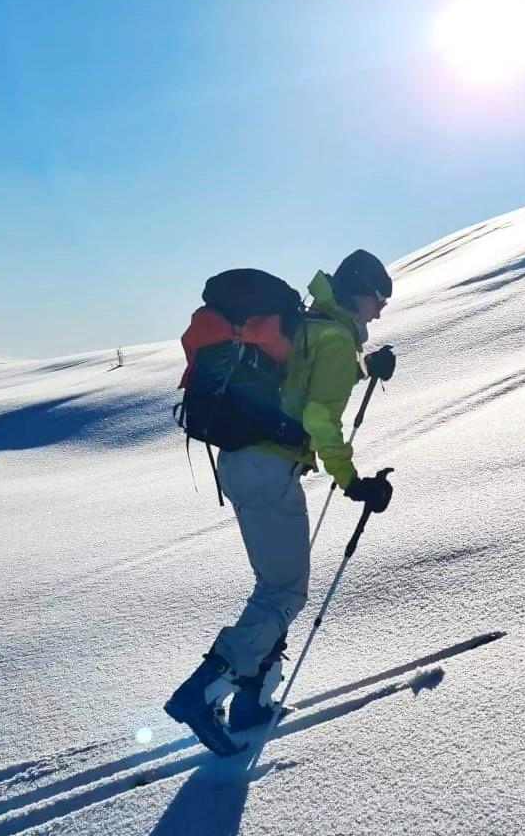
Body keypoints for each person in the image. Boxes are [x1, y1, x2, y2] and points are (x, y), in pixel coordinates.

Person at [164, 249, 396, 753]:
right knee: (284, 594)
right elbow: (318, 416)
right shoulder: (333, 336)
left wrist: (362, 369)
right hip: (270, 467)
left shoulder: (310, 326)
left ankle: (251, 700)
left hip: (242, 462)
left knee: (275, 586)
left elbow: (296, 384)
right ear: (359, 293)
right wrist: (352, 480)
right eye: (379, 299)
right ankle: (202, 693)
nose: (379, 311)